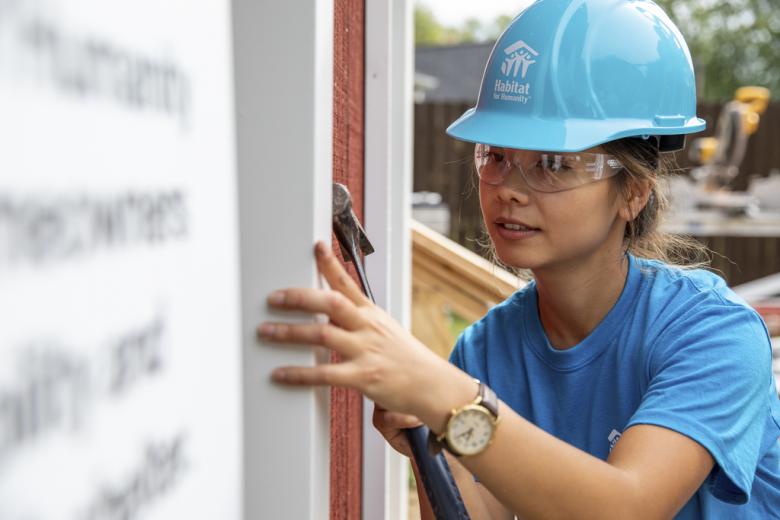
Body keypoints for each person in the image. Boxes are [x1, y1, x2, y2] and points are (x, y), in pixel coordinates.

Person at [259, 0, 780, 518]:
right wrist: (435, 440)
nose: (509, 190)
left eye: (552, 164)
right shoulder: (486, 352)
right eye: (497, 156)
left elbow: (630, 506)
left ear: (633, 194)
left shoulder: (713, 334)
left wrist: (441, 392)